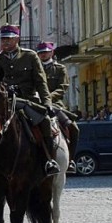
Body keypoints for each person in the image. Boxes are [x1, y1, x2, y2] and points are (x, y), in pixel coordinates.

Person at [0, 24, 60, 179]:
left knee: (45, 121)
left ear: (17, 39)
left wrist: (47, 103)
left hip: (27, 100)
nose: (5, 42)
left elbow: (41, 83)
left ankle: (49, 160)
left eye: (9, 39)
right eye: (3, 39)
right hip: (4, 103)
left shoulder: (30, 56)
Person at [36, 41, 79, 174]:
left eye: (46, 52)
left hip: (55, 105)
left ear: (52, 52)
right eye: (41, 52)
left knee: (74, 128)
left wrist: (48, 98)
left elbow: (63, 87)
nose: (43, 54)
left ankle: (71, 160)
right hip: (35, 102)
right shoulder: (34, 68)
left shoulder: (60, 68)